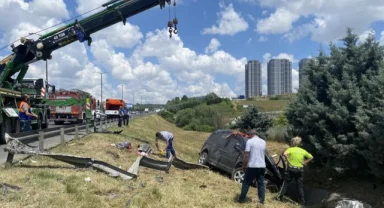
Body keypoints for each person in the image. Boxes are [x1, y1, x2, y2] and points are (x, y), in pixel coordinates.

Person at [275, 136, 314, 205]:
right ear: (299, 143)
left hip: (291, 169)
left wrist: (288, 161)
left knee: (286, 183)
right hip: (299, 170)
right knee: (299, 186)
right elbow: (311, 157)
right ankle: (302, 201)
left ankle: (279, 197)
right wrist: (305, 162)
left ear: (293, 143)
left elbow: (284, 154)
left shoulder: (291, 149)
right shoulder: (303, 151)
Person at [237, 129, 266, 206]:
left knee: (246, 183)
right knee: (261, 184)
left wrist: (243, 165)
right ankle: (261, 201)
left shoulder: (249, 142)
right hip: (262, 165)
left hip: (252, 165)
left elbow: (246, 155)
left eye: (249, 135)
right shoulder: (263, 142)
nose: (248, 136)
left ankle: (242, 199)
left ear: (251, 134)